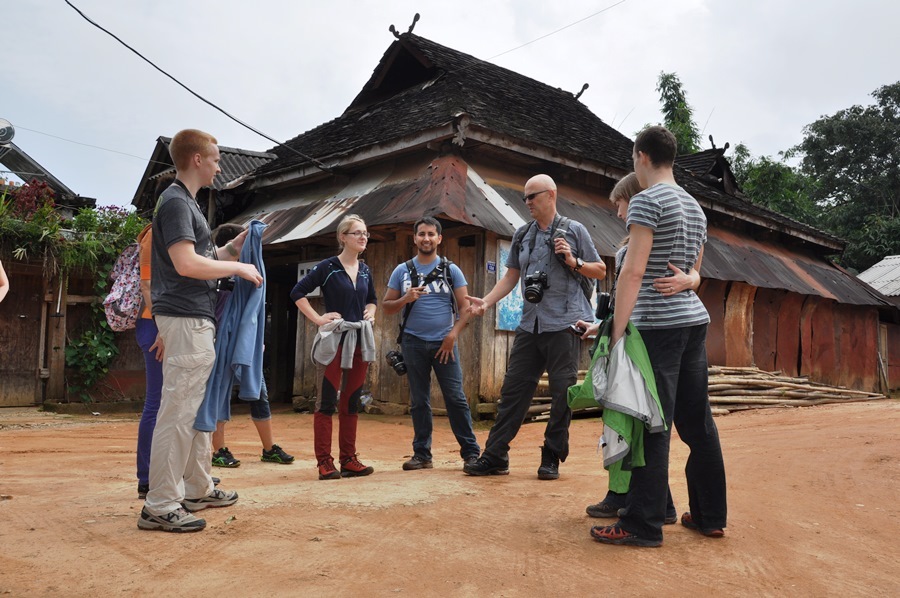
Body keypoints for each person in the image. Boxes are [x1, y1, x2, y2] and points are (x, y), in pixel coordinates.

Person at [587, 126, 727, 548]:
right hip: (691, 322)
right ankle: (709, 515)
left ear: (641, 157)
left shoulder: (646, 202)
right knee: (696, 422)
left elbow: (633, 272)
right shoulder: (695, 207)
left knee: (651, 421)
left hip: (657, 327)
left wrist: (614, 334)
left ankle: (642, 524)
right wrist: (692, 279)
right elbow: (693, 274)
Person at [138, 129, 263, 533]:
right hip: (188, 318)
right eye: (215, 158)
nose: (219, 164)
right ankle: (160, 503)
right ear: (196, 159)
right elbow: (186, 264)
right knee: (177, 413)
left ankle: (196, 486)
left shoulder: (186, 204)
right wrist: (239, 267)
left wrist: (234, 248)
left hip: (194, 317)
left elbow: (204, 257)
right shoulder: (175, 202)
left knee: (192, 410)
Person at [464, 174, 606, 479]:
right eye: (525, 198)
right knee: (513, 391)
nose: (527, 202)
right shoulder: (523, 234)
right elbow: (510, 276)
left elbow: (600, 271)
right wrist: (487, 302)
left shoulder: (575, 230)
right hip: (530, 324)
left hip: (566, 323)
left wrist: (573, 260)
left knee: (561, 394)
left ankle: (551, 456)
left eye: (532, 196)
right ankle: (495, 455)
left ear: (551, 195)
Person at [581, 173, 699, 523]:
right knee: (633, 418)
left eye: (620, 203)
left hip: (640, 332)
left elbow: (634, 285)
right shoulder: (638, 236)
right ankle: (643, 500)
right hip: (634, 328)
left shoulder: (645, 232)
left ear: (634, 198)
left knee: (633, 418)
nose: (618, 212)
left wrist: (615, 333)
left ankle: (639, 503)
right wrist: (602, 326)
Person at [382, 217, 481, 470]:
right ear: (414, 238)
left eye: (431, 234)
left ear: (439, 238)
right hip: (413, 342)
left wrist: (452, 336)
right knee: (419, 400)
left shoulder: (451, 270)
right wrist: (405, 298)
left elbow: (465, 308)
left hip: (444, 343)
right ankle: (422, 454)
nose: (426, 238)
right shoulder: (401, 271)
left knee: (455, 398)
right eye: (421, 234)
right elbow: (386, 307)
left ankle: (471, 453)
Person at [291, 214, 377, 480]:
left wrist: (371, 313)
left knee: (351, 401)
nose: (363, 237)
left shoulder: (365, 269)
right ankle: (325, 462)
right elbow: (297, 293)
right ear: (342, 237)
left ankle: (349, 459)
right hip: (334, 341)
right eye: (357, 233)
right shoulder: (328, 267)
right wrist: (318, 319)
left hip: (360, 340)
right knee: (326, 401)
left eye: (365, 233)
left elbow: (372, 299)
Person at [208, 223, 294, 468]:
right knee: (219, 393)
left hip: (246, 345)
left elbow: (252, 315)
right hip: (219, 343)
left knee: (258, 391)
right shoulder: (214, 276)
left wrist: (257, 341)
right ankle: (218, 450)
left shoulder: (248, 276)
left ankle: (269, 449)